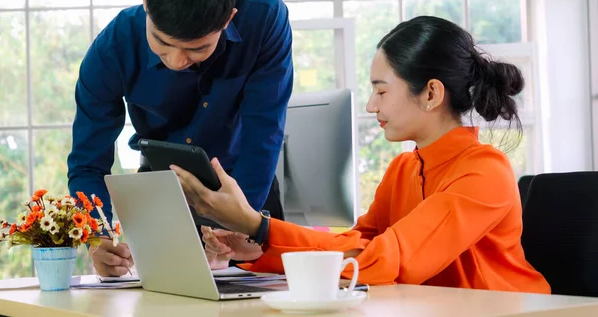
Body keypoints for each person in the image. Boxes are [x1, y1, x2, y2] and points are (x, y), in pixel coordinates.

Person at [170, 16, 552, 293]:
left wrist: (262, 226)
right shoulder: (404, 168)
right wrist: (260, 244)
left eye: (381, 91)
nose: (371, 105)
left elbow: (388, 258)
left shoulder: (484, 172)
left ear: (432, 94)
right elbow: (359, 243)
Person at [66, 0, 293, 277]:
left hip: (246, 186)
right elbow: (87, 162)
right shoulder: (114, 46)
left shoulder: (264, 18)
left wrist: (242, 222)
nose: (176, 61)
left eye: (197, 48)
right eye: (162, 43)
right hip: (161, 195)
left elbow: (264, 133)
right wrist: (97, 238)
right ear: (146, 1)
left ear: (228, 19)